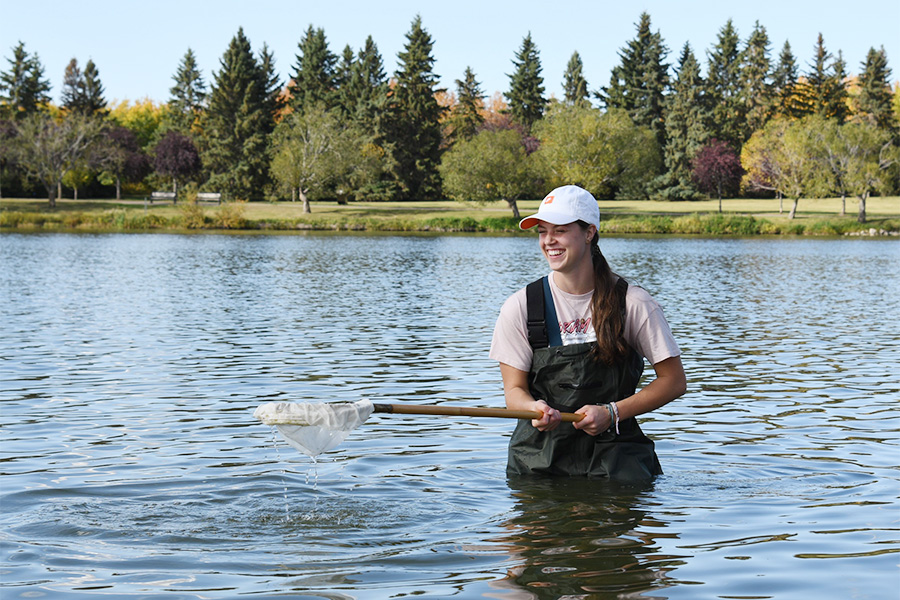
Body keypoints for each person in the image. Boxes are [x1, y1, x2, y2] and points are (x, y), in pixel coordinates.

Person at [490, 185, 686, 479]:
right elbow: (514, 391)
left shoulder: (634, 303)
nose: (549, 241)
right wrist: (533, 408)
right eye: (542, 231)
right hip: (539, 463)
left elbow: (674, 381)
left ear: (589, 232)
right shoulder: (519, 307)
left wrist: (612, 413)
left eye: (560, 230)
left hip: (618, 460)